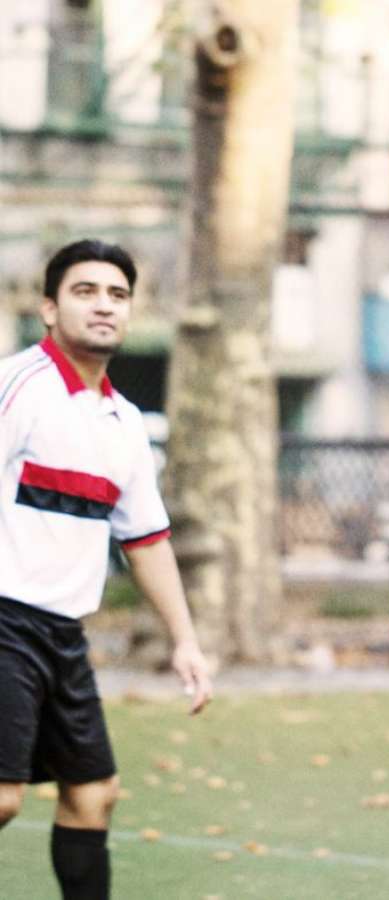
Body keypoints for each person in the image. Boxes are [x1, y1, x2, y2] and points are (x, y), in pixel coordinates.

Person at [0, 239, 213, 900]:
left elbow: (145, 539)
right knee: (2, 799)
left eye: (116, 295)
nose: (103, 306)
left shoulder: (123, 424)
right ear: (48, 308)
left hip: (64, 636)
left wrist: (184, 640)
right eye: (84, 291)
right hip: (3, 619)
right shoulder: (18, 386)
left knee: (94, 795)